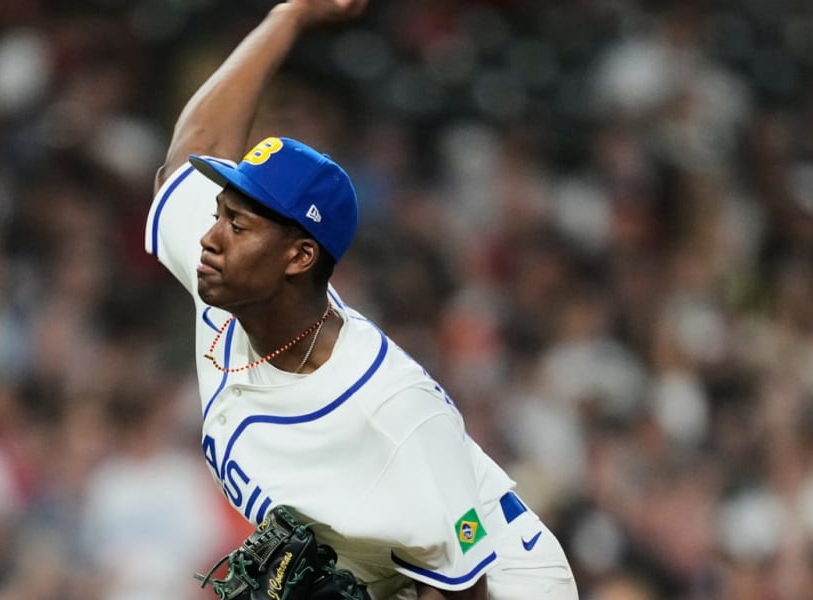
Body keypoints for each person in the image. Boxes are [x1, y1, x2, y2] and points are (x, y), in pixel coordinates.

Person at [144, 1, 579, 598]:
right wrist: (289, 16)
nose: (212, 236)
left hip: (501, 581)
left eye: (238, 225)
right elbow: (193, 148)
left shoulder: (391, 411)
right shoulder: (227, 276)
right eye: (220, 213)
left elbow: (463, 587)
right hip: (391, 569)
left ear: (298, 257)